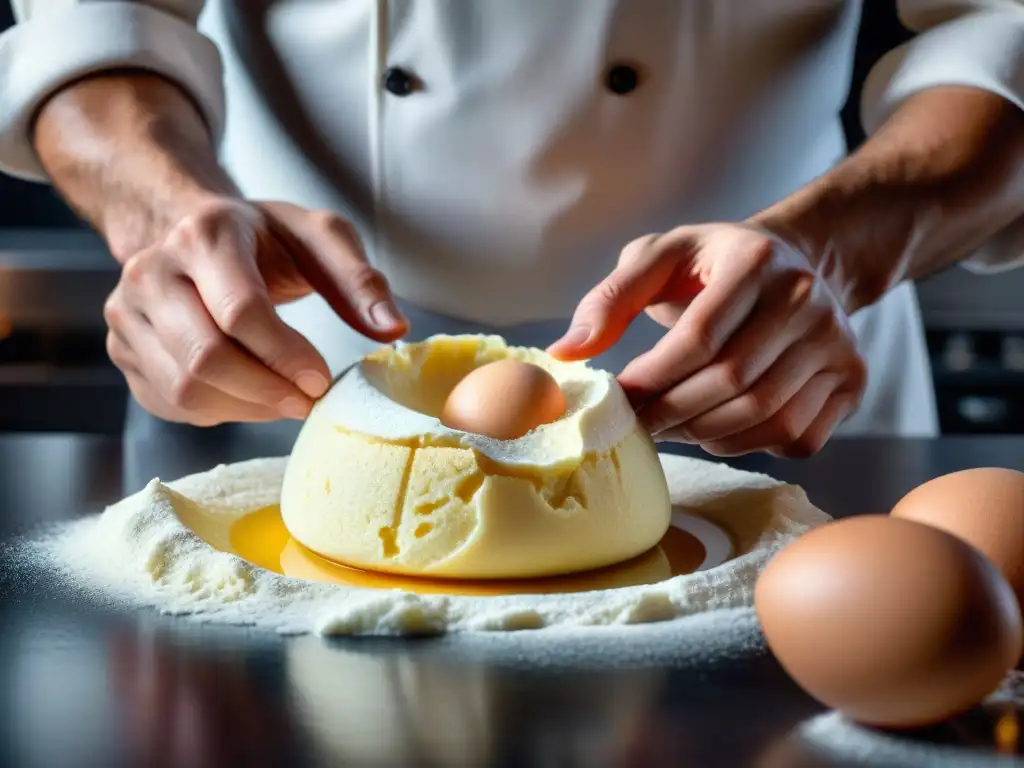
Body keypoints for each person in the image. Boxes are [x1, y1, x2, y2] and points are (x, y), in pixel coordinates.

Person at [1, 1, 1023, 457]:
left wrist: (833, 251)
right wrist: (171, 215)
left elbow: (1003, 32)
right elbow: (91, 25)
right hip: (291, 362)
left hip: (768, 349)